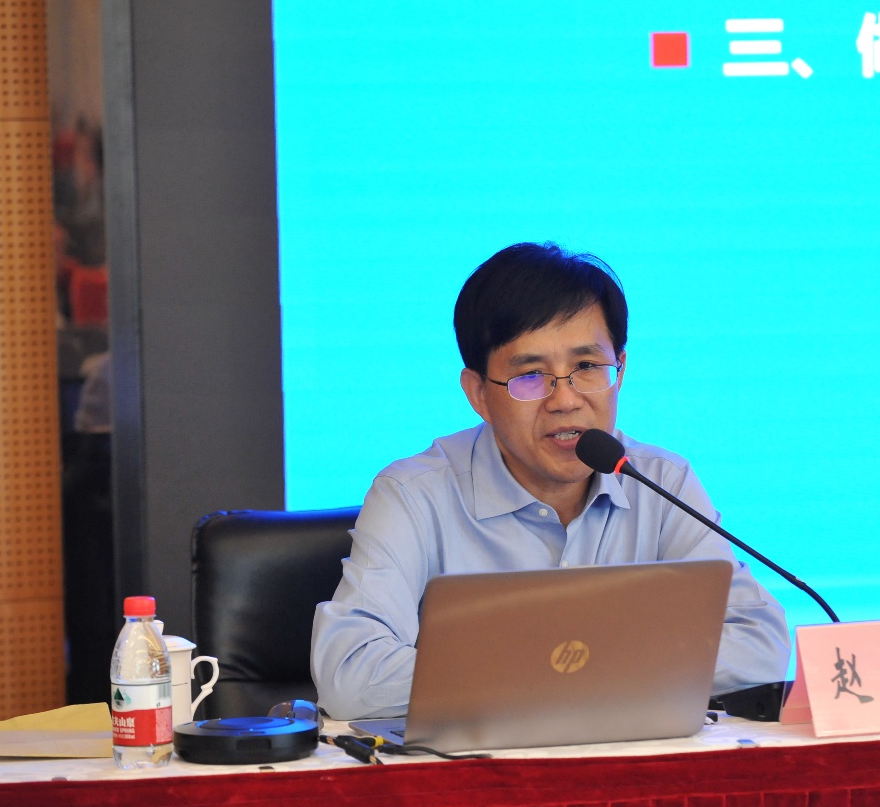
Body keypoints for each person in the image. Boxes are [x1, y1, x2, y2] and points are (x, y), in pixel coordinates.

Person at [312, 242, 791, 719]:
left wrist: (574, 671)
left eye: (587, 368)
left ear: (620, 371)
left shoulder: (661, 483)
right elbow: (351, 675)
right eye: (530, 375)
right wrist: (566, 671)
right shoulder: (414, 495)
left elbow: (759, 643)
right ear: (478, 394)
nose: (565, 400)